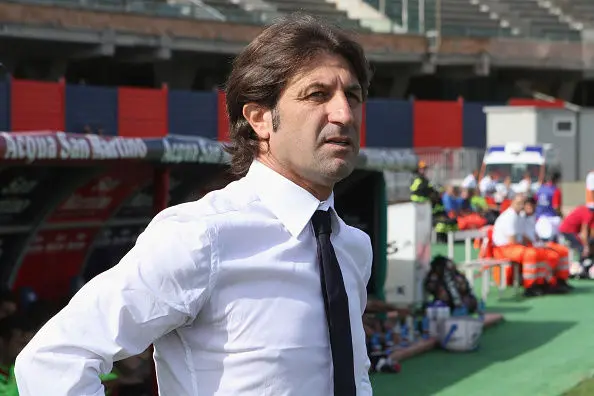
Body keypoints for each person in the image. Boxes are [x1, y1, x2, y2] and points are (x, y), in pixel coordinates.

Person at [15, 13, 374, 396]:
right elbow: (52, 361)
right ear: (259, 119)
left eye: (352, 95)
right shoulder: (203, 235)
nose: (344, 114)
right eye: (317, 94)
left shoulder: (352, 246)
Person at [492, 194, 549, 296]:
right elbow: (512, 241)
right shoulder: (510, 216)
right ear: (512, 202)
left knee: (537, 252)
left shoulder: (517, 215)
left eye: (522, 203)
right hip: (503, 249)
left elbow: (521, 237)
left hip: (511, 247)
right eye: (518, 203)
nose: (521, 205)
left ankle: (540, 282)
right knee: (530, 254)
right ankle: (529, 286)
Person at [521, 197, 571, 292]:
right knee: (552, 256)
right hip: (529, 247)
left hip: (537, 244)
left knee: (562, 251)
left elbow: (534, 233)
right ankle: (543, 283)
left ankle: (561, 280)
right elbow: (522, 236)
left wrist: (539, 242)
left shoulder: (533, 217)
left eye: (532, 204)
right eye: (527, 205)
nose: (530, 207)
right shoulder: (520, 217)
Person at [534, 171, 563, 241]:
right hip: (551, 220)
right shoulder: (556, 190)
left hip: (539, 219)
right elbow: (556, 207)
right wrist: (561, 215)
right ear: (556, 180)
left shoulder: (539, 189)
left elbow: (535, 202)